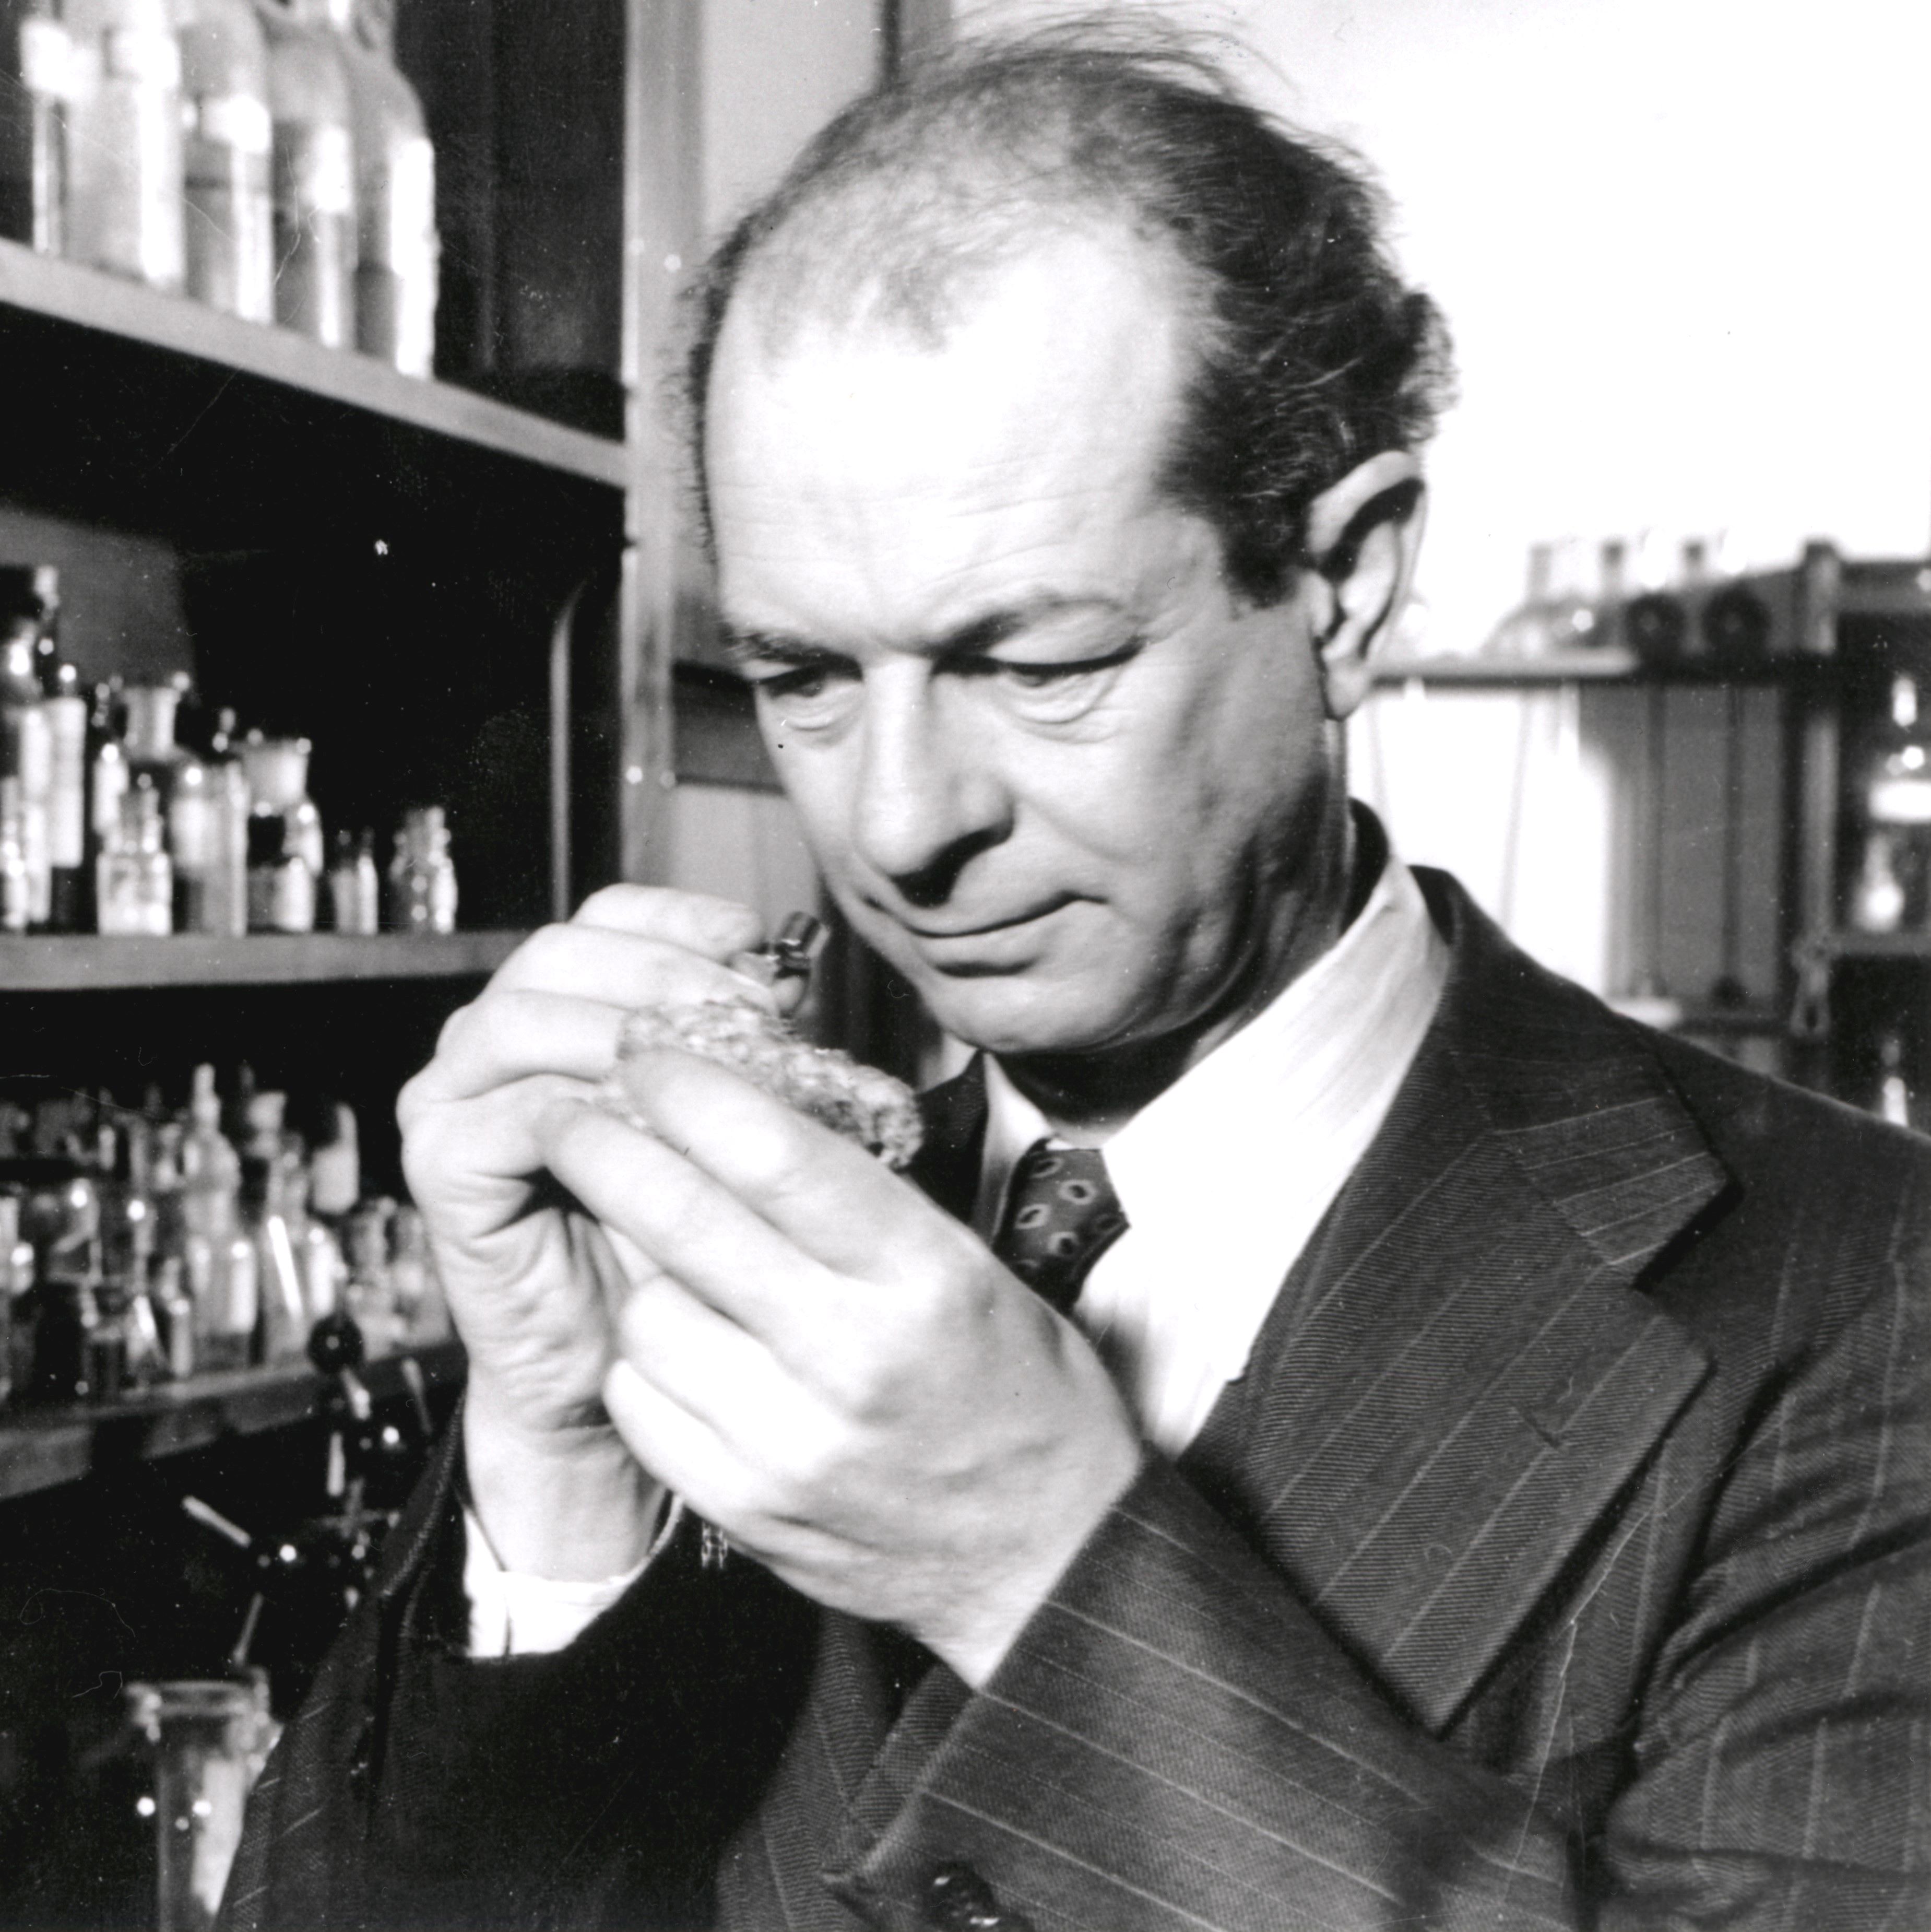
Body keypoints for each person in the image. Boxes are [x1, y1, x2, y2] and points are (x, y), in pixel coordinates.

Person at [225, 34, 1928, 1932]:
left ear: (1345, 584)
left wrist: (1039, 1567)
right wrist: (551, 1462)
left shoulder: (1863, 1302)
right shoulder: (741, 1260)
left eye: (1035, 667)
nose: (898, 822)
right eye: (803, 678)